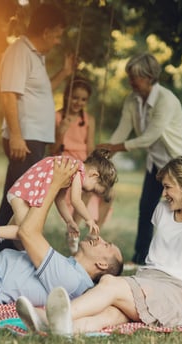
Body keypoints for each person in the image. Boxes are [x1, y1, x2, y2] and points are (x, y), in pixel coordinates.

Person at [16, 156, 182, 336]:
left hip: (178, 293)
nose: (164, 194)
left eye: (168, 187)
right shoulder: (162, 210)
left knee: (109, 284)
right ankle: (65, 330)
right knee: (110, 313)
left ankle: (45, 318)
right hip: (146, 280)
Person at [0, 159, 123, 306]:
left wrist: (54, 184)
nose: (100, 239)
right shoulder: (67, 266)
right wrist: (68, 219)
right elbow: (23, 240)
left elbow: (28, 232)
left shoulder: (72, 281)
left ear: (102, 264)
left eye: (106, 245)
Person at [97, 52, 182, 268]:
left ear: (150, 76)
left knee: (180, 212)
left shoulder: (166, 100)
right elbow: (122, 131)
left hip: (180, 163)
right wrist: (105, 154)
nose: (130, 81)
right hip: (157, 164)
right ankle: (141, 257)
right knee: (147, 209)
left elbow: (150, 136)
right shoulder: (132, 100)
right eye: (130, 76)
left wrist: (117, 147)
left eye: (135, 76)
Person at [0, 3, 75, 251]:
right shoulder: (19, 51)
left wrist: (64, 72)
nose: (58, 41)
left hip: (34, 139)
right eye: (58, 34)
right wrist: (17, 137)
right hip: (25, 140)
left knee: (21, 199)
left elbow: (37, 94)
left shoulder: (35, 56)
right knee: (18, 199)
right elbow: (8, 94)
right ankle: (3, 250)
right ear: (47, 30)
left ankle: (4, 249)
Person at [0, 149, 117, 254]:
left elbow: (60, 199)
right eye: (94, 189)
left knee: (23, 240)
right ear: (94, 175)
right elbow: (76, 200)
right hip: (24, 194)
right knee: (28, 232)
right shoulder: (78, 170)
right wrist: (89, 219)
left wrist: (69, 221)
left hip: (23, 194)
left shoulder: (70, 170)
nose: (89, 192)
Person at [50, 76, 113, 254]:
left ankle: (95, 232)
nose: (79, 102)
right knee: (84, 189)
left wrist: (97, 165)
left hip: (84, 162)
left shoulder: (89, 120)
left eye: (83, 99)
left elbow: (91, 147)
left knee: (108, 192)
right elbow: (53, 150)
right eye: (75, 97)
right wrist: (61, 133)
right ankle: (74, 230)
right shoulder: (57, 117)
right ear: (67, 96)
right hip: (65, 163)